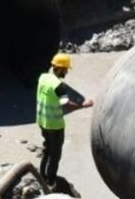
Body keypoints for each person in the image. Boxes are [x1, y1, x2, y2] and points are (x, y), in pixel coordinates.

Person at [36, 52, 93, 187]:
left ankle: (41, 175)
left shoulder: (43, 77)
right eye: (66, 69)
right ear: (60, 68)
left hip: (42, 121)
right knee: (55, 155)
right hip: (55, 126)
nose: (66, 72)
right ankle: (50, 182)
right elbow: (66, 104)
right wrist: (83, 105)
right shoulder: (59, 86)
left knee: (47, 150)